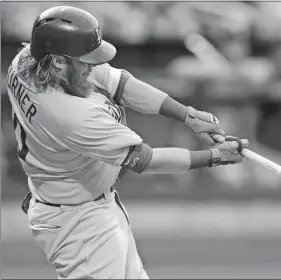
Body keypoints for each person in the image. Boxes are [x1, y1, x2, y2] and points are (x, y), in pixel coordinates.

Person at [8, 6, 249, 279]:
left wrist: (188, 115)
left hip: (83, 206)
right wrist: (214, 157)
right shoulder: (73, 117)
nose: (93, 66)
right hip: (78, 225)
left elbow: (121, 84)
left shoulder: (27, 62)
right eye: (85, 60)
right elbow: (146, 160)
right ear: (60, 62)